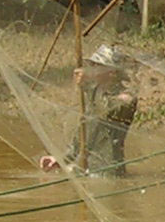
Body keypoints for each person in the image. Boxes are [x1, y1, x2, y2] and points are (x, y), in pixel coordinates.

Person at [39, 49, 137, 177]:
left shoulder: (126, 97)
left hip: (109, 173)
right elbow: (86, 130)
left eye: (97, 66)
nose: (91, 69)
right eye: (92, 65)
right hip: (90, 170)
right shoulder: (96, 92)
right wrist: (63, 159)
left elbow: (105, 111)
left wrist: (87, 85)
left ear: (112, 72)